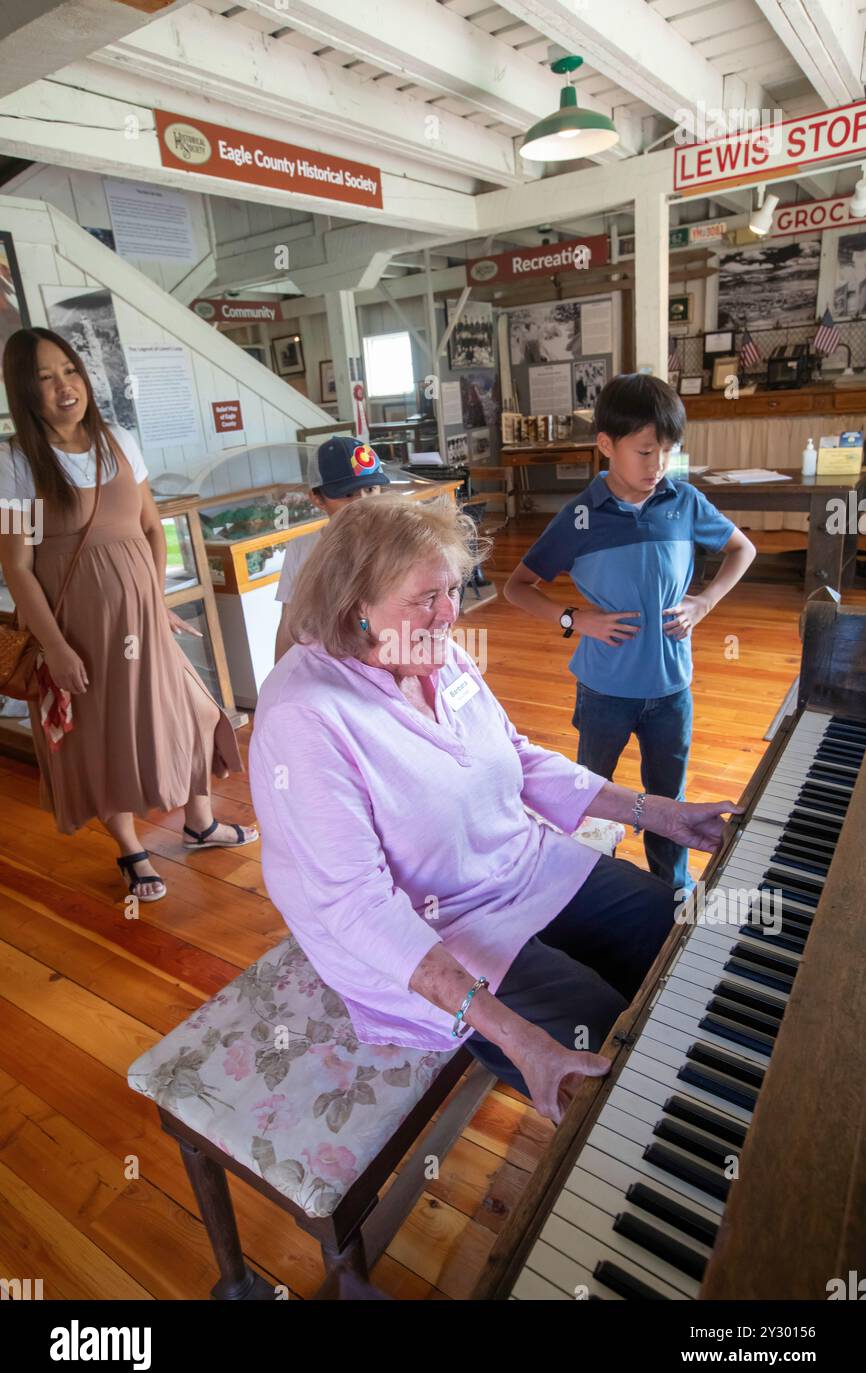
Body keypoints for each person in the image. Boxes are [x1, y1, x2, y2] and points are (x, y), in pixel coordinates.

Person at [249, 494, 740, 1123]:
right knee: (608, 1042)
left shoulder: (434, 651)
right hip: (435, 930)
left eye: (452, 589)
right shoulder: (305, 715)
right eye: (426, 597)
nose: (449, 613)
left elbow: (517, 756)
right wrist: (511, 1034)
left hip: (524, 865)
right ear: (358, 608)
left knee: (689, 939)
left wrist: (655, 812)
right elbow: (354, 908)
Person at [0, 328, 257, 902]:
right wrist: (58, 648)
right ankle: (130, 849)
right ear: (24, 389)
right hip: (76, 627)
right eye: (45, 377)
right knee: (99, 735)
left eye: (69, 370)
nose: (65, 387)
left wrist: (155, 601)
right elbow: (19, 566)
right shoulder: (16, 463)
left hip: (142, 620)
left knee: (192, 712)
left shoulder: (116, 439)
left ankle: (201, 822)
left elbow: (148, 527)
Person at [504, 372, 756, 893]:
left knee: (669, 796)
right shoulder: (579, 516)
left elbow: (742, 549)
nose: (657, 465)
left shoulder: (683, 502)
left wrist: (705, 600)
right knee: (592, 796)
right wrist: (576, 619)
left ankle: (672, 892)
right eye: (644, 451)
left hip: (671, 693)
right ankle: (598, 888)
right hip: (604, 694)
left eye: (666, 451)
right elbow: (518, 587)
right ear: (605, 446)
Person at [274, 437, 388, 663]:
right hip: (325, 666)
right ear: (317, 498)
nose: (362, 502)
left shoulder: (394, 542)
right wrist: (278, 678)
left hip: (384, 660)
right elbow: (289, 621)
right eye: (347, 495)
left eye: (370, 489)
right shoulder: (301, 548)